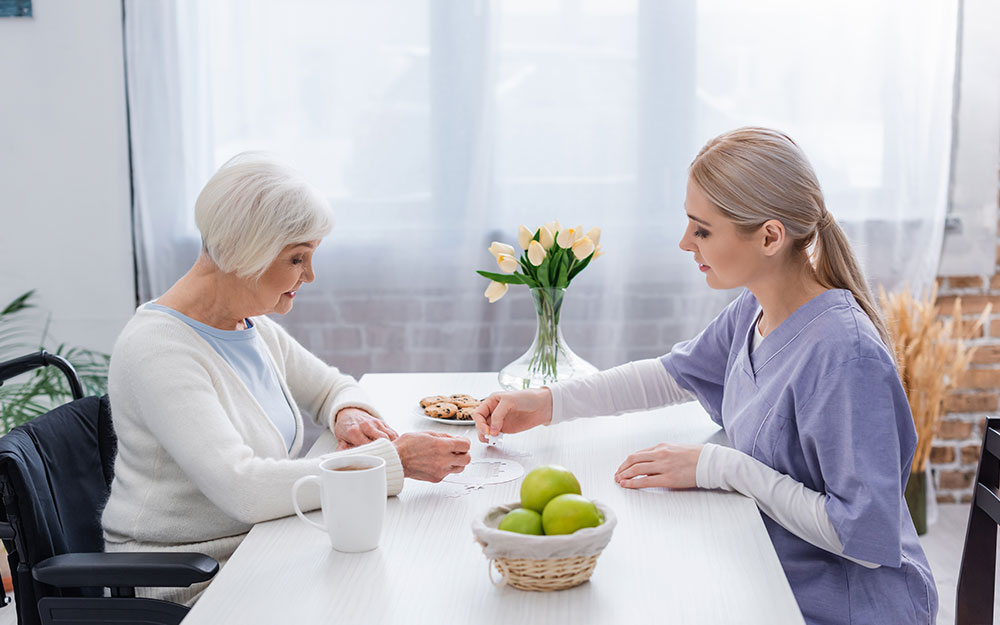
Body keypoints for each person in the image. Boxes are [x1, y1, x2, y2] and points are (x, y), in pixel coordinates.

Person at [473, 128, 937, 624]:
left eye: (702, 230)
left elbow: (862, 540)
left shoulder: (846, 355)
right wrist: (547, 402)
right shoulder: (757, 309)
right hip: (766, 563)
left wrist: (719, 466)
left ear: (770, 236)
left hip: (844, 606)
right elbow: (672, 374)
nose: (684, 242)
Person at [102, 153, 471, 605]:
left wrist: (348, 413)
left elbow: (333, 387)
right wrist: (390, 462)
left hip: (258, 546)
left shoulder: (245, 325)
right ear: (244, 250)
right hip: (188, 581)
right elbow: (244, 488)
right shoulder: (158, 349)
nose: (310, 275)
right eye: (298, 258)